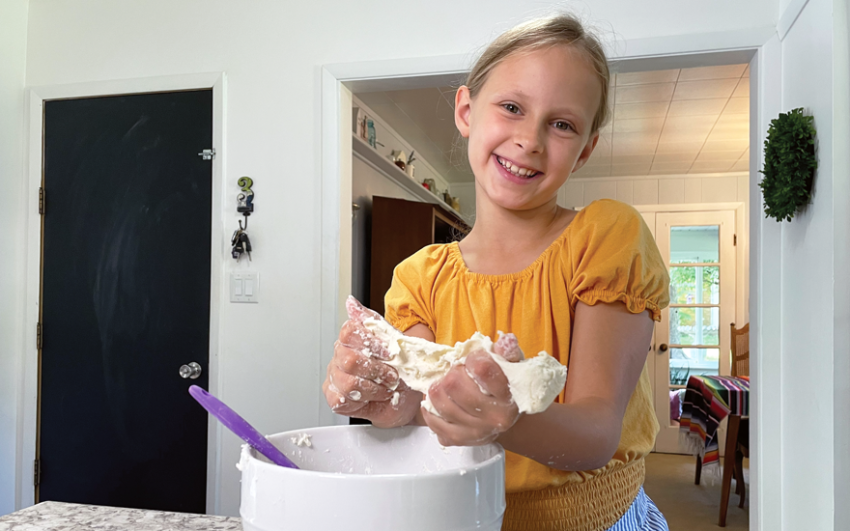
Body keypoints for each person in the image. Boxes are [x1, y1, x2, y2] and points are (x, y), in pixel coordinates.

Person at [323, 13, 670, 531]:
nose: (529, 140)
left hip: (602, 520)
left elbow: (597, 432)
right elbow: (425, 408)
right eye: (511, 107)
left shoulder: (606, 238)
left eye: (562, 124)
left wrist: (508, 417)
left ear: (585, 149)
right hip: (465, 518)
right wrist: (382, 401)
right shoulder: (420, 277)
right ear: (467, 110)